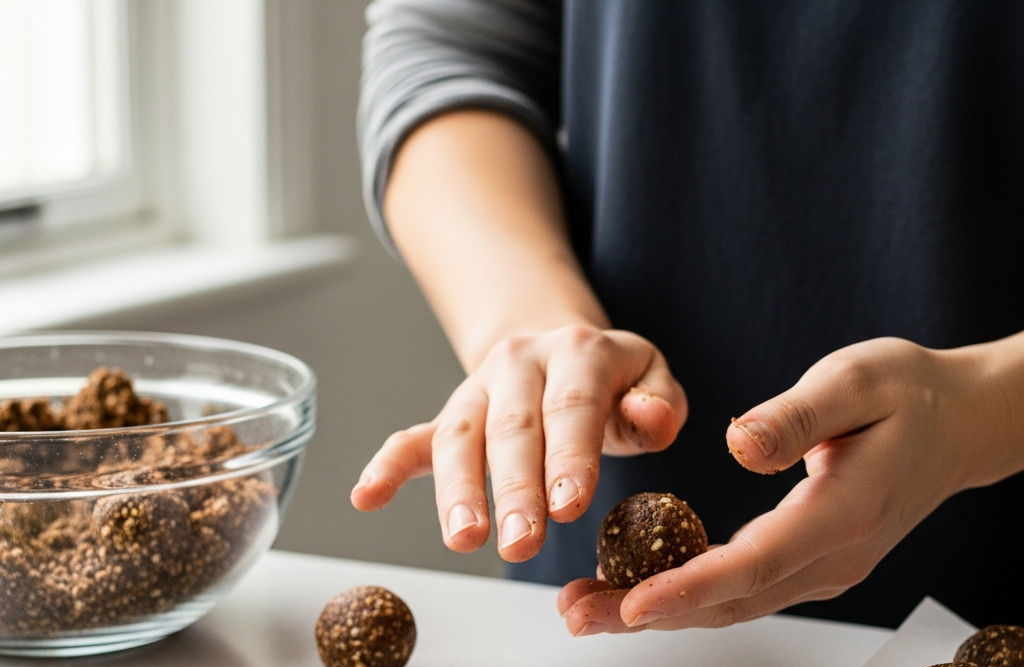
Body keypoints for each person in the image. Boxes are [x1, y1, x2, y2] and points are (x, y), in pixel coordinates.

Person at [352, 0, 1024, 634]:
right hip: (599, 618)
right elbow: (452, 46)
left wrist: (979, 409)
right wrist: (540, 330)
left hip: (990, 604)